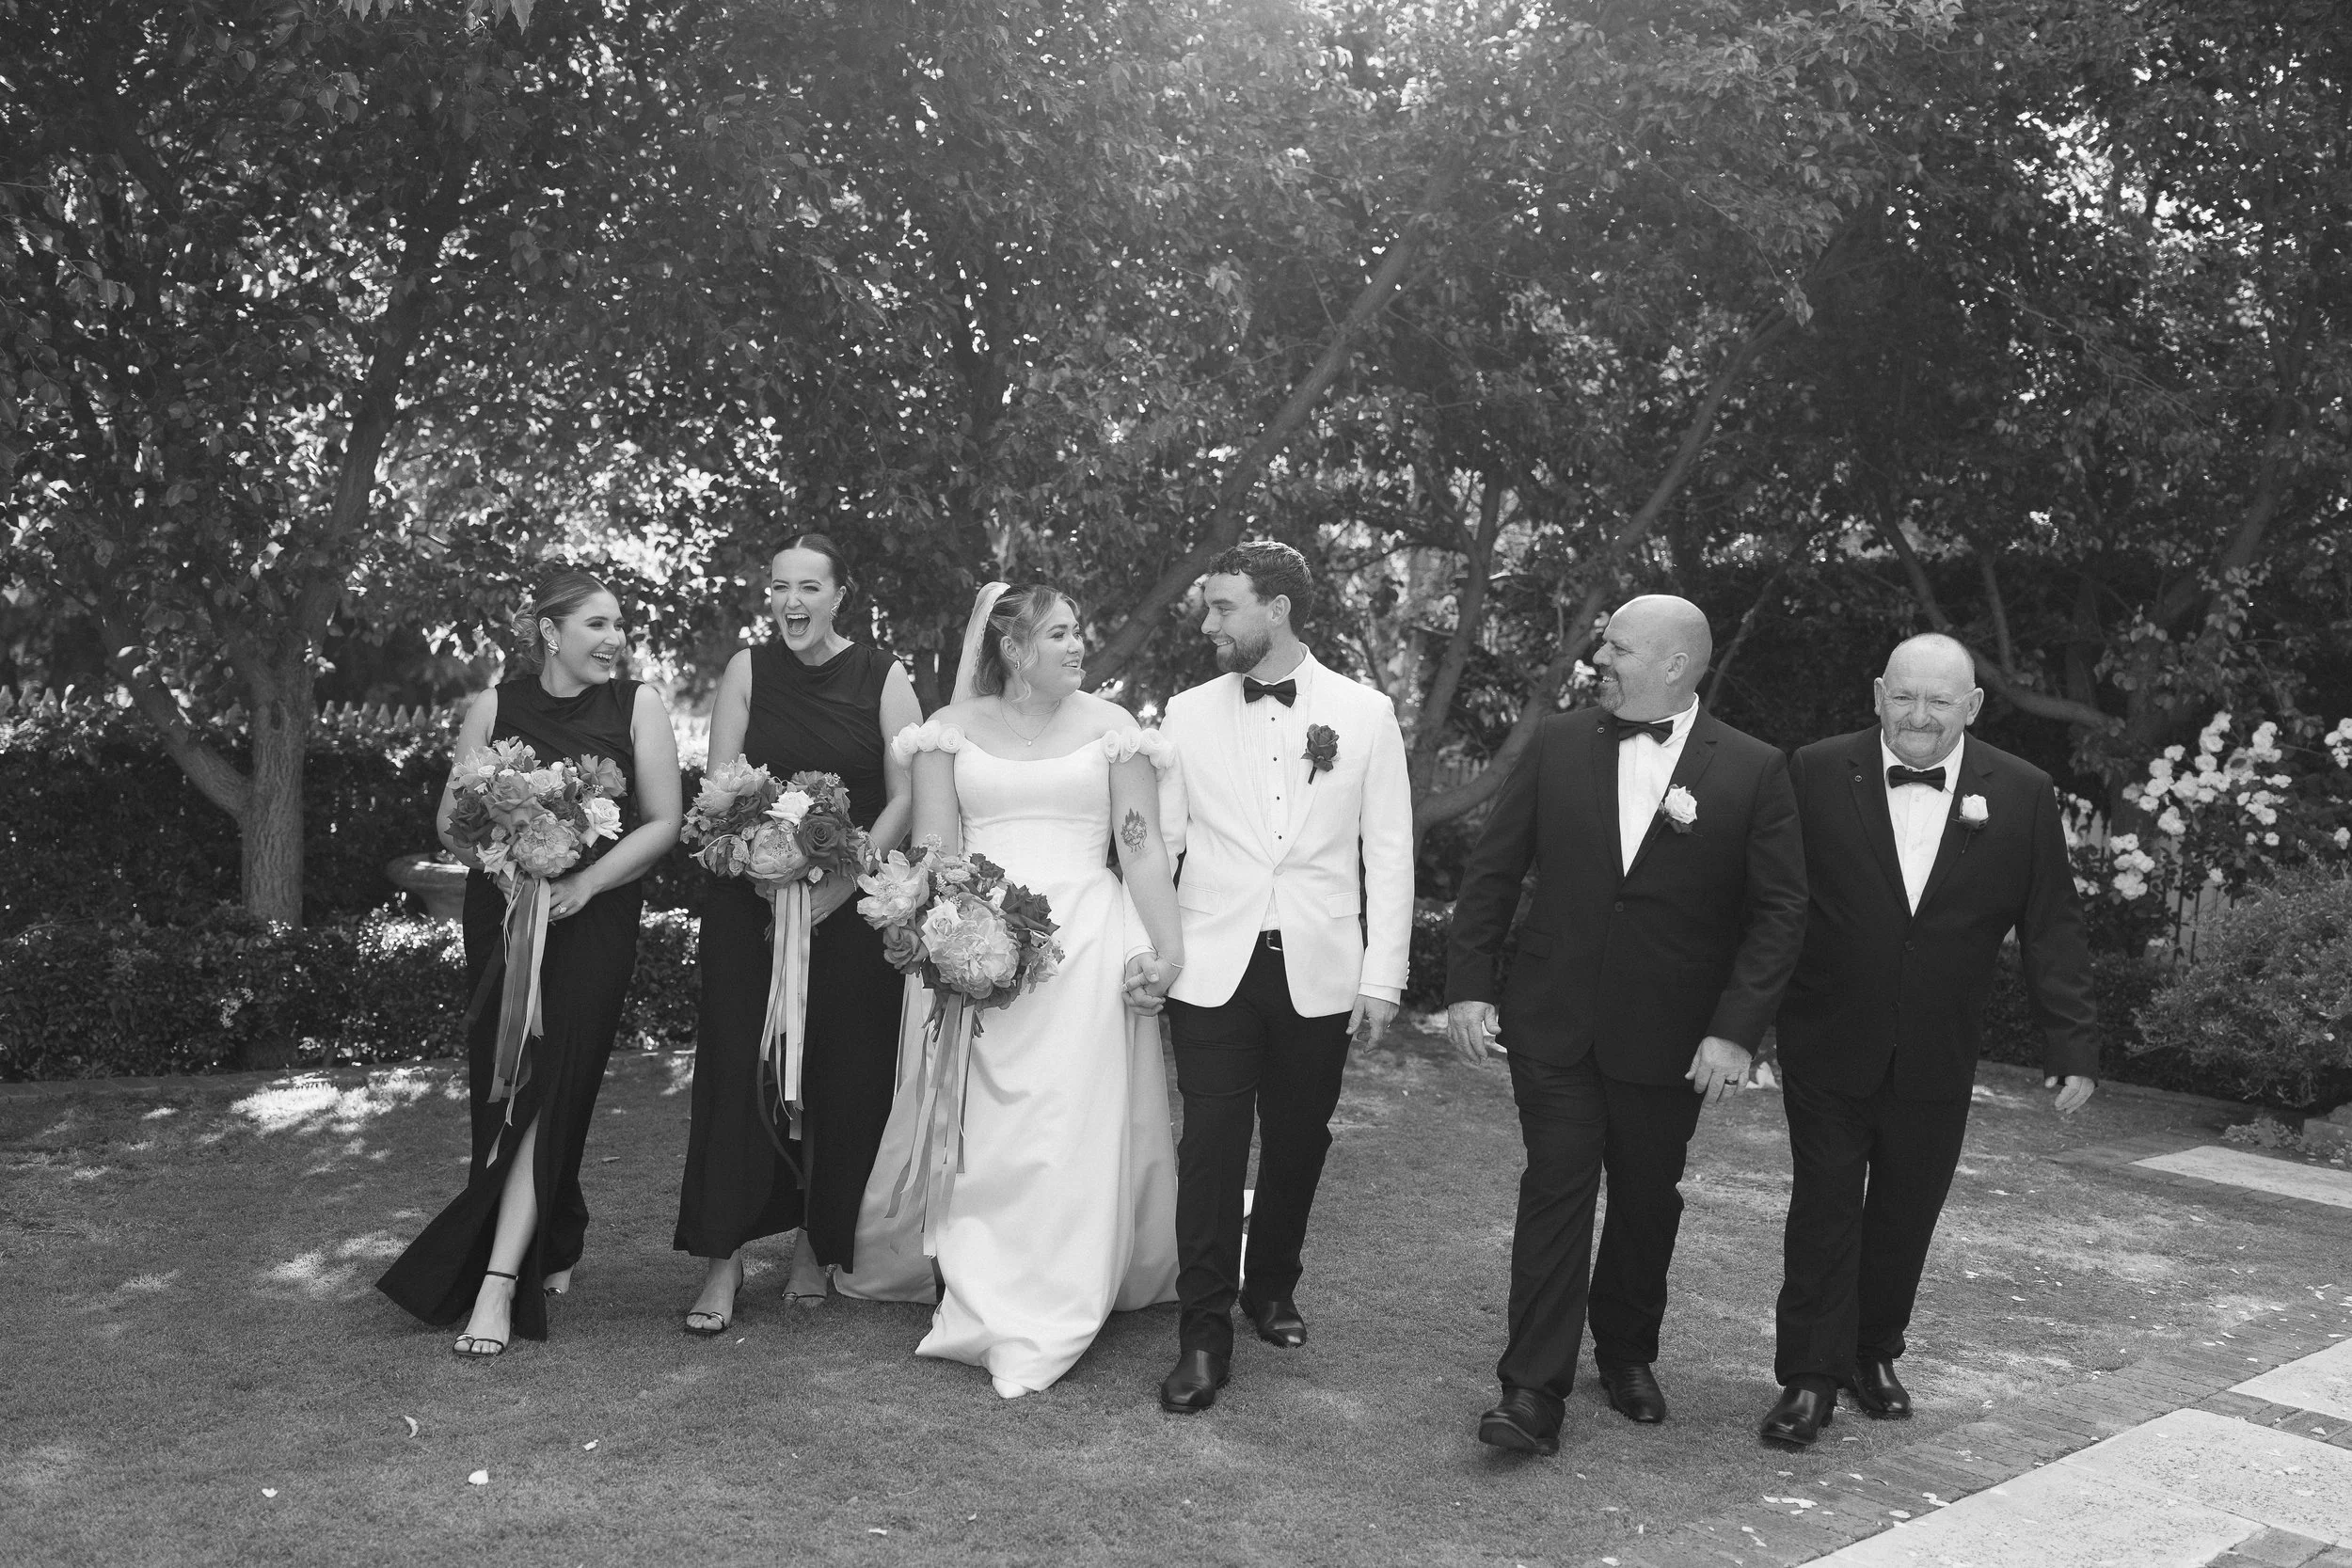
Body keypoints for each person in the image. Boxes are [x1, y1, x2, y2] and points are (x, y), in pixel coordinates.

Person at [1445, 594, 1806, 1454]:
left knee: (1648, 1200)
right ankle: (1530, 1391)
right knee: (1557, 1191)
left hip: (1672, 1040)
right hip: (1553, 1022)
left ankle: (1628, 1350)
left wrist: (1734, 1030)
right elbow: (1494, 871)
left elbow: (1782, 913)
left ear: (1676, 664)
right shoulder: (1561, 742)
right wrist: (1466, 985)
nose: (1598, 659)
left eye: (1617, 646)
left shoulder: (1753, 769)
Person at [845, 582, 1184, 1398]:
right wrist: (944, 937)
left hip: (1086, 950)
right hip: (975, 944)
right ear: (1013, 647)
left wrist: (1166, 951)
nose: (1079, 646)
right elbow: (933, 850)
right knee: (987, 1127)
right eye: (1061, 633)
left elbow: (1139, 850)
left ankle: (1063, 1294)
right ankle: (984, 1286)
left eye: (1079, 631)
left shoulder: (1113, 733)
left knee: (1069, 1123)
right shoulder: (945, 735)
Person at [1758, 633, 2097, 1448]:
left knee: (1907, 1211)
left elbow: (2050, 925)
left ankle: (1873, 1352)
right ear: (1878, 693)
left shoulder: (2020, 791)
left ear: (1971, 707)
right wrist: (1743, 1022)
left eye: (1939, 701)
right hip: (1828, 1036)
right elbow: (1772, 903)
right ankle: (1809, 1375)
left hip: (1940, 1049)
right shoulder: (1813, 769)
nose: (1918, 715)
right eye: (1904, 696)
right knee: (1825, 1208)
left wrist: (2073, 1045)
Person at [378, 568, 682, 1355]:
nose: (615, 639)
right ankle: (555, 1232)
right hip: (508, 917)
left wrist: (583, 878)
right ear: (550, 632)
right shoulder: (494, 706)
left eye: (619, 625)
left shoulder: (638, 705)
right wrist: (511, 854)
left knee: (557, 1081)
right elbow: (453, 823)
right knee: (506, 1080)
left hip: (596, 916)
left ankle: (497, 1281)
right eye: (597, 625)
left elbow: (663, 822)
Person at [1147, 541, 1414, 1414]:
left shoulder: (1366, 713)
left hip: (1321, 967)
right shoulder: (1183, 714)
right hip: (1212, 964)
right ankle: (1202, 1330)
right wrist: (1146, 944)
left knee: (1300, 1137)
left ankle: (1273, 1286)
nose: (1209, 623)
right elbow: (1167, 843)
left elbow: (1390, 853)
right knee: (1211, 1146)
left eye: (1224, 607)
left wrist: (1383, 977)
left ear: (1279, 608)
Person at [672, 535, 922, 1334]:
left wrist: (845, 883)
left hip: (849, 913)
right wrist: (764, 870)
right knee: (736, 1066)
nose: (791, 602)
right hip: (749, 908)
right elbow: (721, 788)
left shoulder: (885, 677)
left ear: (840, 595)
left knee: (843, 1076)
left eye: (809, 586)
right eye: (779, 586)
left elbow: (909, 792)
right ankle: (725, 1257)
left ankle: (819, 1245)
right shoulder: (747, 670)